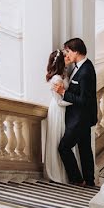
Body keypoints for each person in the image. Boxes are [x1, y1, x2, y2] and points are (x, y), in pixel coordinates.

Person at [54, 37, 97, 188]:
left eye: (68, 51)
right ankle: (89, 181)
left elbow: (84, 100)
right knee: (85, 150)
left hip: (80, 119)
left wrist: (64, 92)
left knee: (64, 148)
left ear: (76, 51)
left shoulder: (85, 71)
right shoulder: (81, 65)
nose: (67, 55)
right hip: (81, 118)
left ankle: (77, 180)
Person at [44, 49, 73, 183]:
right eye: (65, 56)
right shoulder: (56, 79)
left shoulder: (63, 73)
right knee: (59, 139)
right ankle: (58, 173)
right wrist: (75, 102)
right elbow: (60, 101)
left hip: (63, 109)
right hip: (58, 111)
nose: (68, 57)